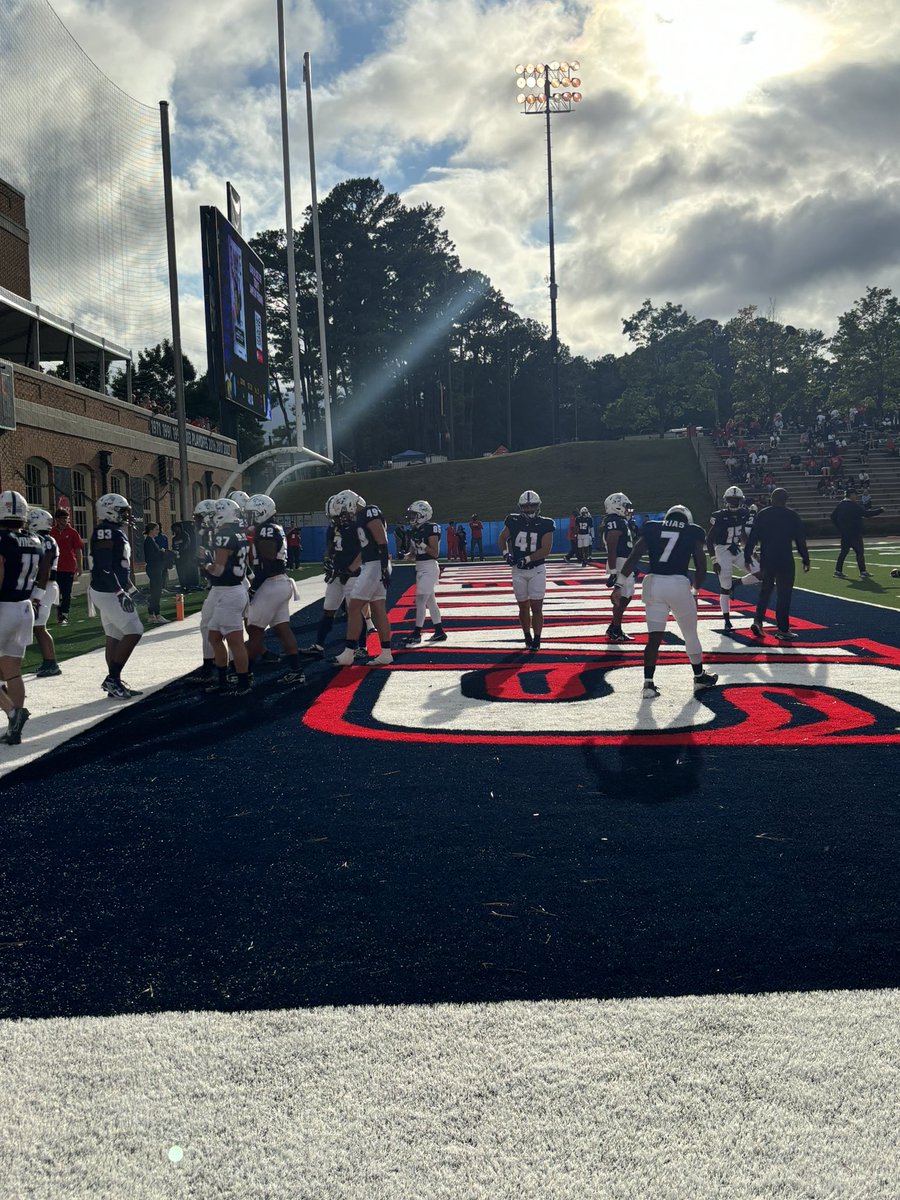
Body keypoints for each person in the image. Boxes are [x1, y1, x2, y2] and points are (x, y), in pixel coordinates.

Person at [616, 504, 718, 699]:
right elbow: (701, 566)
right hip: (678, 584)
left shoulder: (653, 527)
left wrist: (620, 584)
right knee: (690, 634)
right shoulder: (692, 531)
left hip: (654, 584)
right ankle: (698, 677)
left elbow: (636, 554)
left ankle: (648, 684)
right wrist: (695, 591)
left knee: (654, 638)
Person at [244, 494, 306, 685]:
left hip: (271, 584)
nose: (251, 517)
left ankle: (243, 674)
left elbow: (268, 562)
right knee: (282, 628)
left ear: (263, 511)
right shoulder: (272, 528)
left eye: (254, 513)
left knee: (255, 631)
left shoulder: (267, 530)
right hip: (280, 583)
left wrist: (253, 588)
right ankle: (296, 671)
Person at [300, 495, 371, 662]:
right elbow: (330, 548)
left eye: (338, 516)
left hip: (354, 575)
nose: (335, 519)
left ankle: (362, 647)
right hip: (338, 574)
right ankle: (319, 646)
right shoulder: (333, 528)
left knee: (355, 611)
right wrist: (327, 560)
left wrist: (351, 568)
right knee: (328, 609)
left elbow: (364, 551)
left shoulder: (358, 527)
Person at [88, 493, 144, 699]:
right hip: (107, 590)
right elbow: (104, 567)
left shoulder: (113, 531)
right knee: (134, 631)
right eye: (122, 511)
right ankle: (112, 679)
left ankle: (114, 682)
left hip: (107, 589)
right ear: (110, 510)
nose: (126, 515)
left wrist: (131, 591)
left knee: (114, 635)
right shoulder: (106, 531)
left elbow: (119, 568)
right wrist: (120, 592)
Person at [0, 491, 46, 743]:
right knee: (12, 671)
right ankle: (13, 731)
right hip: (25, 607)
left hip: (4, 606)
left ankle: (12, 712)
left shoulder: (3, 540)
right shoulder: (36, 540)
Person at [333, 491, 394, 667]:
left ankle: (349, 653)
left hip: (375, 565)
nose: (345, 516)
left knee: (354, 607)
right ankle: (386, 653)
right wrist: (350, 569)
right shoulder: (361, 517)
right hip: (373, 564)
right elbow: (366, 549)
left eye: (344, 511)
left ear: (350, 503)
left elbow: (382, 539)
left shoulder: (369, 511)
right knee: (378, 609)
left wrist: (383, 567)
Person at [744, 487, 810, 641]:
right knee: (784, 594)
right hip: (785, 558)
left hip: (768, 558)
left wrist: (747, 556)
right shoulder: (792, 515)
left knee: (765, 591)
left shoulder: (763, 514)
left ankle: (758, 620)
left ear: (771, 499)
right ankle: (782, 629)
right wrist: (805, 558)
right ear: (785, 500)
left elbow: (753, 537)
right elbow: (800, 540)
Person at [202, 498, 252, 696]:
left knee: (235, 641)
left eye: (215, 513)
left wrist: (204, 565)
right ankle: (223, 680)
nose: (213, 517)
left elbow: (218, 570)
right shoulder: (239, 533)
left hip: (229, 592)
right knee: (214, 637)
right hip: (233, 590)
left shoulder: (224, 534)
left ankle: (243, 683)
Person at [498, 489, 555, 651]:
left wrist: (528, 559)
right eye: (526, 506)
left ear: (538, 506)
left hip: (536, 569)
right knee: (523, 606)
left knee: (537, 607)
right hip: (518, 570)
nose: (529, 509)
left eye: (532, 506)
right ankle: (527, 635)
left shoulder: (546, 523)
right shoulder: (513, 520)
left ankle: (537, 639)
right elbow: (503, 538)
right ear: (520, 507)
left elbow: (545, 550)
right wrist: (505, 554)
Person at [705, 485, 759, 632]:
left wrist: (751, 550)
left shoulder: (743, 513)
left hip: (737, 549)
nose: (734, 502)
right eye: (731, 499)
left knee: (761, 572)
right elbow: (709, 540)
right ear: (726, 500)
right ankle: (727, 620)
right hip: (722, 550)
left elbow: (743, 535)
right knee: (724, 586)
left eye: (736, 499)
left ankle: (737, 584)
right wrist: (714, 560)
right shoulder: (720, 515)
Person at [400, 500, 446, 646]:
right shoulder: (414, 530)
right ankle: (439, 632)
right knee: (431, 601)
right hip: (420, 568)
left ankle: (417, 633)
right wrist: (406, 556)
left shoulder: (431, 528)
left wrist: (422, 543)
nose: (412, 517)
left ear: (423, 514)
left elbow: (435, 553)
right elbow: (415, 554)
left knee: (420, 600)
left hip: (430, 568)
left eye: (414, 514)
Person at [27, 508, 62, 676]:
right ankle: (48, 662)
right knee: (38, 627)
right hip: (45, 585)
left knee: (40, 627)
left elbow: (45, 568)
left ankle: (51, 663)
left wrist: (37, 595)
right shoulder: (46, 538)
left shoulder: (44, 540)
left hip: (45, 586)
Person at [603, 492, 636, 641]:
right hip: (621, 561)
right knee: (622, 595)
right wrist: (614, 570)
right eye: (625, 506)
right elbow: (612, 545)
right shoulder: (614, 521)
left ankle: (614, 626)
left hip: (624, 560)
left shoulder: (620, 521)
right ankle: (615, 629)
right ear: (616, 506)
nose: (627, 509)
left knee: (627, 595)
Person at [831, 489, 883, 579]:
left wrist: (840, 527)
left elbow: (833, 516)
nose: (856, 497)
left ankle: (838, 571)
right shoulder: (852, 505)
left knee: (844, 552)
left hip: (845, 533)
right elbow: (866, 514)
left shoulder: (841, 505)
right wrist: (880, 510)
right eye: (855, 495)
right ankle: (862, 571)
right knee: (859, 552)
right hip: (854, 533)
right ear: (851, 495)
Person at [50, 507, 84, 627]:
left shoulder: (73, 532)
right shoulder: (51, 532)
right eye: (62, 518)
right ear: (57, 519)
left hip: (69, 567)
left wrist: (79, 566)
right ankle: (59, 614)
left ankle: (64, 614)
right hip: (55, 567)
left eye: (66, 518)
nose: (65, 521)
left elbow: (78, 549)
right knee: (56, 593)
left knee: (66, 593)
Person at [142, 523, 170, 626]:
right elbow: (149, 557)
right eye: (156, 529)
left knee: (155, 591)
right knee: (156, 592)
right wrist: (161, 552)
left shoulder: (152, 541)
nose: (158, 531)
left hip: (155, 568)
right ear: (151, 530)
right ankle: (157, 615)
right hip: (153, 568)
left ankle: (152, 615)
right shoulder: (148, 541)